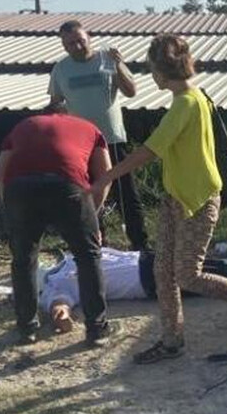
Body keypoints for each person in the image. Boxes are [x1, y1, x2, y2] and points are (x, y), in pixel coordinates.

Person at [90, 33, 227, 364]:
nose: (152, 76)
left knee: (188, 274)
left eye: (151, 70)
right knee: (163, 273)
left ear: (161, 72)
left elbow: (148, 151)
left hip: (199, 199)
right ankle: (172, 341)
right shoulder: (191, 97)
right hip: (177, 198)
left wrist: (106, 176)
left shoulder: (186, 103)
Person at [0, 107, 115, 347]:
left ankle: (26, 328)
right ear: (68, 115)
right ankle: (97, 329)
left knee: (24, 259)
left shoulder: (22, 126)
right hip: (68, 185)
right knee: (88, 255)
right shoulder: (90, 128)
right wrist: (94, 216)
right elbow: (105, 176)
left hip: (20, 188)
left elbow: (0, 175)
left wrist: (12, 210)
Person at [48, 20, 151, 253]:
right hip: (80, 144)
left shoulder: (107, 60)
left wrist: (119, 64)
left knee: (126, 194)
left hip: (112, 139)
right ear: (64, 46)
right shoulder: (61, 69)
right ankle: (97, 242)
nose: (76, 46)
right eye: (70, 43)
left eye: (80, 41)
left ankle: (140, 244)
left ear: (89, 38)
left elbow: (131, 91)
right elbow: (56, 102)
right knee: (88, 194)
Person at [40, 247, 227, 334]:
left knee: (214, 266)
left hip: (146, 259)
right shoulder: (52, 287)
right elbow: (59, 306)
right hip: (146, 280)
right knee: (216, 277)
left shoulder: (69, 257)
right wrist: (61, 317)